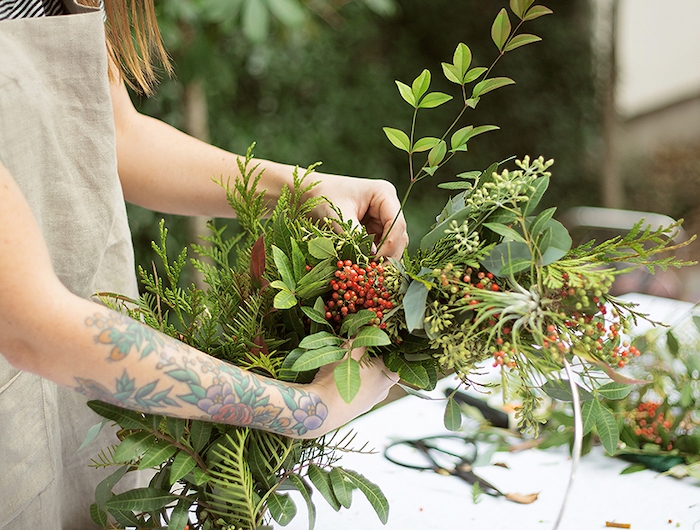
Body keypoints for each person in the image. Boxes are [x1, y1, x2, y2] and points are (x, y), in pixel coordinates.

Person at [0, 0, 408, 527]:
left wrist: (300, 189)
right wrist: (307, 410)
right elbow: (28, 324)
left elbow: (109, 131)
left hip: (78, 385)